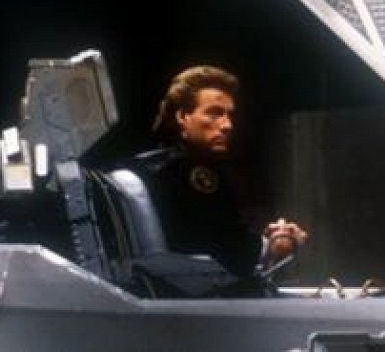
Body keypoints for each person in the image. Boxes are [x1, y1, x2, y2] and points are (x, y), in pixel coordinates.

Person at [125, 65, 308, 282]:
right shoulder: (193, 173)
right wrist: (279, 245)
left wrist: (263, 241)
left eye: (229, 115)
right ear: (183, 116)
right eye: (214, 113)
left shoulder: (153, 165)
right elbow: (230, 251)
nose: (227, 125)